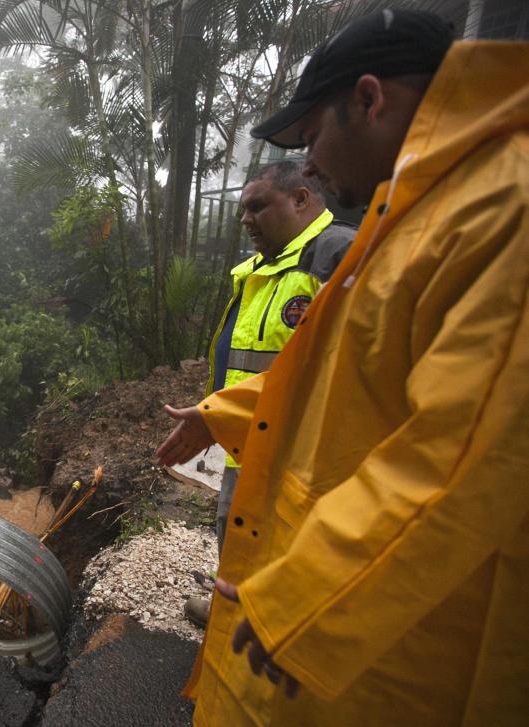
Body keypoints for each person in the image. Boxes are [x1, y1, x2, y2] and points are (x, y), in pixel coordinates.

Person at [155, 8, 529, 725]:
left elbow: (466, 453)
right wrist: (223, 411)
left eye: (312, 140)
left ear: (369, 98)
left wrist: (308, 602)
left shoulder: (502, 204)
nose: (313, 165)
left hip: (407, 643)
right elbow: (339, 369)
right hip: (356, 611)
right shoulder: (423, 206)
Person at [184, 161, 352, 627]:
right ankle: (232, 616)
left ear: (301, 199)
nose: (245, 220)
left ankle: (261, 634)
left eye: (257, 206)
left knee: (287, 549)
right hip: (248, 442)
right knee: (236, 535)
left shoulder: (335, 257)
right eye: (243, 210)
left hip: (301, 453)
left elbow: (334, 370)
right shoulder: (264, 268)